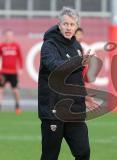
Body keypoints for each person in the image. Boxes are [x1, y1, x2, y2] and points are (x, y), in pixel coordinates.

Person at [38, 7, 91, 160]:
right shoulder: (49, 45)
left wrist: (84, 96)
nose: (68, 28)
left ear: (76, 27)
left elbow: (77, 77)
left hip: (74, 110)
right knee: (50, 156)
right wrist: (77, 62)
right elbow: (56, 67)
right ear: (59, 25)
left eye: (72, 24)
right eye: (65, 24)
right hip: (53, 110)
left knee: (83, 152)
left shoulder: (76, 46)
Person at [0, 29, 23, 114]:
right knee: (1, 89)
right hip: (3, 72)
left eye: (10, 35)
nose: (9, 37)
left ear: (12, 36)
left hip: (13, 72)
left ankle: (17, 106)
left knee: (15, 90)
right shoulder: (2, 45)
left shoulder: (16, 45)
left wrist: (20, 68)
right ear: (5, 36)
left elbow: (20, 58)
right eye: (7, 35)